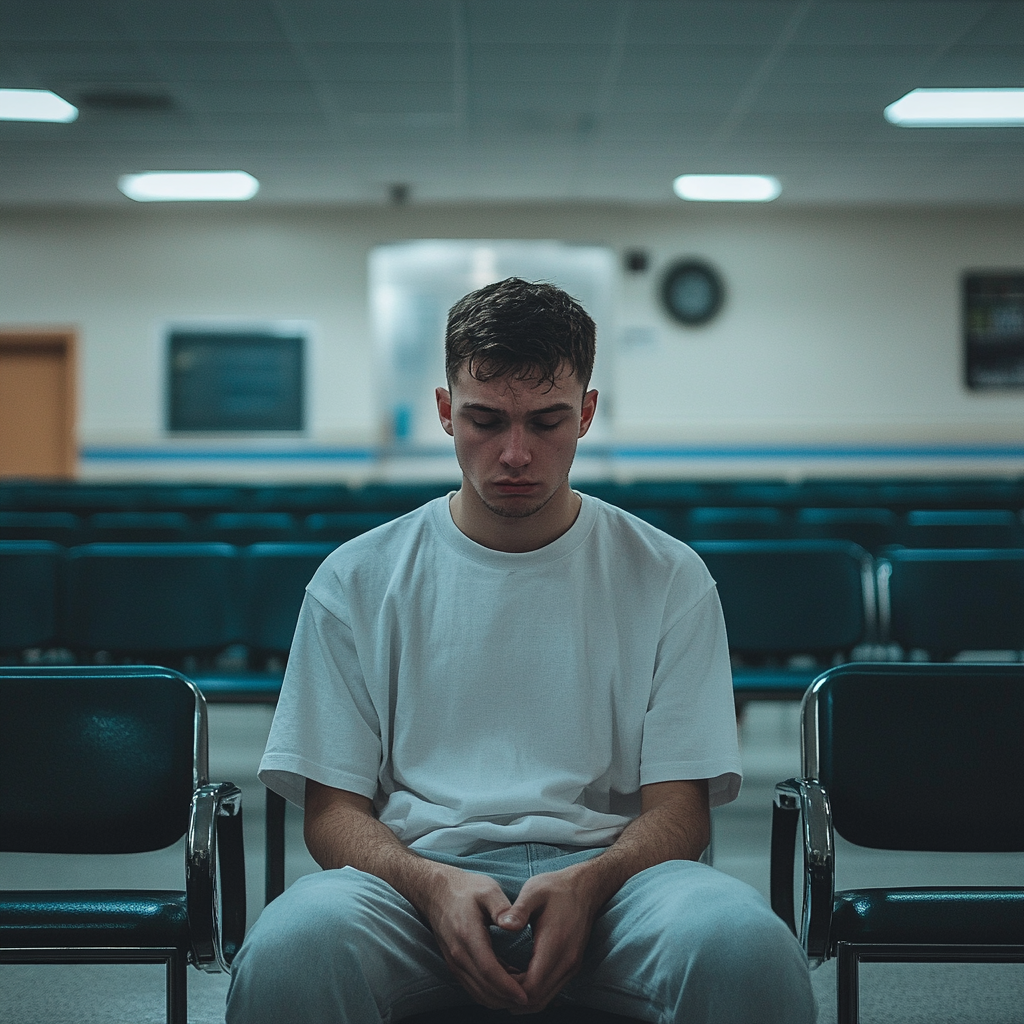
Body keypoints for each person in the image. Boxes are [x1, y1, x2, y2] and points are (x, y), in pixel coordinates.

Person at [226, 278, 815, 1023]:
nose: (514, 453)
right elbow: (333, 813)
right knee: (289, 952)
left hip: (620, 886)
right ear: (445, 412)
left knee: (745, 947)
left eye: (546, 422)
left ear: (587, 415)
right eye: (484, 420)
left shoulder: (668, 577)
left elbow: (680, 815)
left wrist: (592, 882)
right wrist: (429, 884)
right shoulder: (357, 578)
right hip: (410, 885)